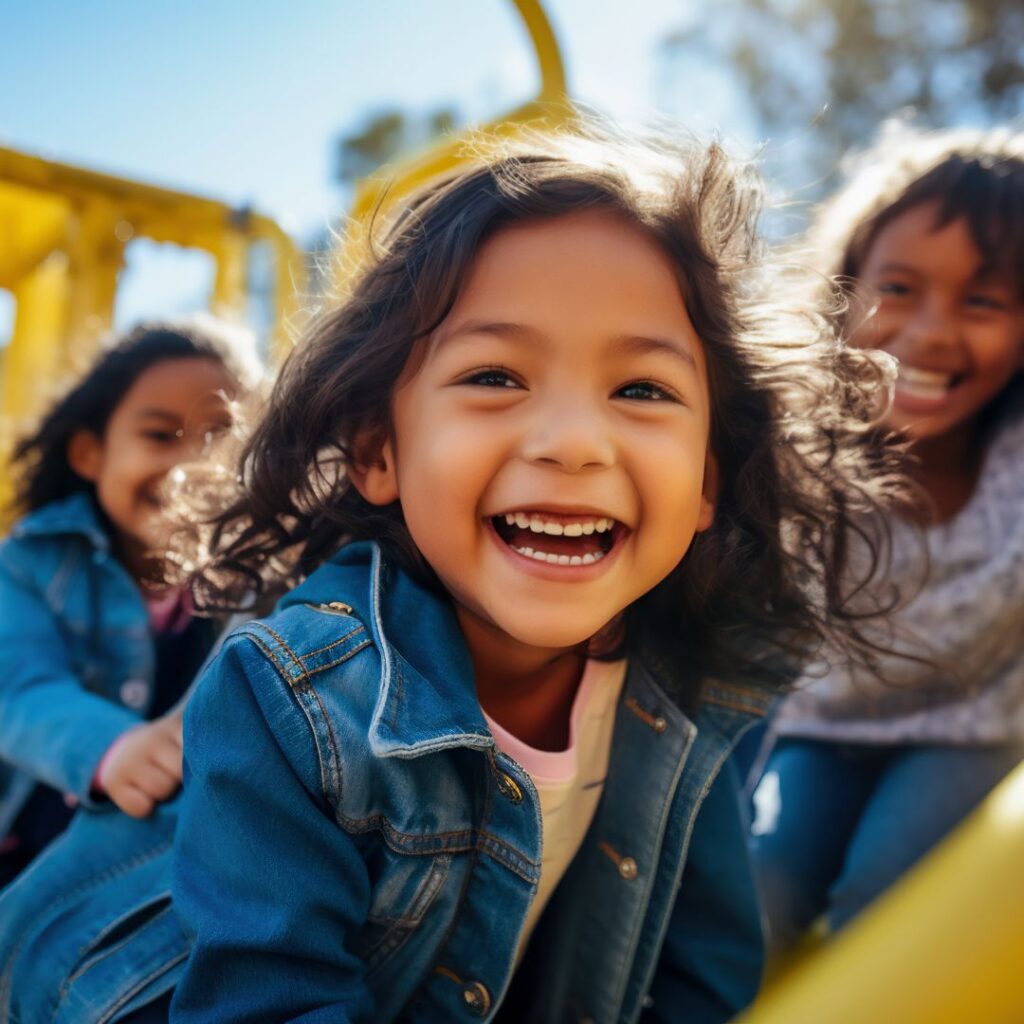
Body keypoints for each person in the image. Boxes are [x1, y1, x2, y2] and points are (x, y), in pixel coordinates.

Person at [160, 123, 900, 1024]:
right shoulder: (294, 697)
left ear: (707, 478)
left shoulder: (686, 682)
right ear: (377, 451)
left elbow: (700, 973)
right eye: (496, 376)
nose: (573, 443)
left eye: (642, 390)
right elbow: (269, 1003)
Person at [750, 124, 1024, 953]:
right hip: (823, 728)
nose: (932, 334)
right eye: (897, 289)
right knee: (756, 893)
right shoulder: (798, 450)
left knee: (888, 893)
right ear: (845, 290)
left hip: (976, 727)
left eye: (984, 301)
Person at [0, 318, 259, 885]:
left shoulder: (254, 577)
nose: (195, 465)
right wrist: (114, 748)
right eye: (160, 435)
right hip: (34, 846)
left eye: (222, 436)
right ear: (91, 454)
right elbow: (18, 688)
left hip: (170, 857)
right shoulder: (28, 562)